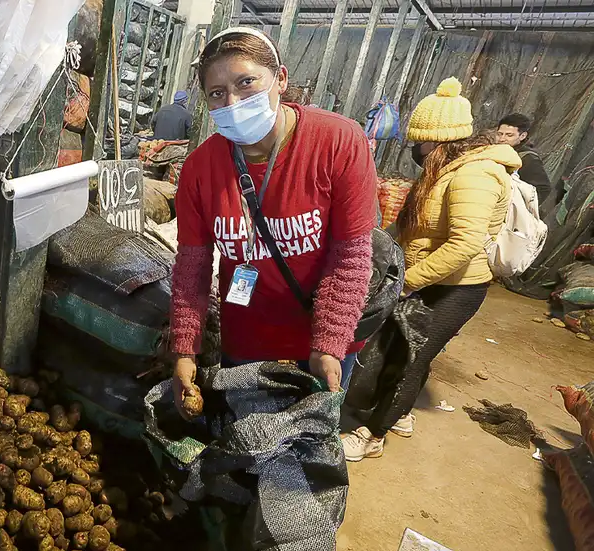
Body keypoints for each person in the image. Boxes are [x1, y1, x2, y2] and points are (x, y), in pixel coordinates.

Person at [170, 27, 378, 415]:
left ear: (280, 79)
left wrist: (328, 344)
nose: (232, 102)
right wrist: (184, 349)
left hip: (320, 341)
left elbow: (350, 257)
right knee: (246, 451)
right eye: (217, 93)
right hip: (246, 342)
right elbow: (192, 268)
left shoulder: (338, 142)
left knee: (302, 459)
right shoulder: (201, 168)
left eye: (246, 82)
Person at [340, 78, 520, 462]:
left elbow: (465, 243)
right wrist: (372, 246)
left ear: (438, 141)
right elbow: (410, 226)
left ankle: (372, 435)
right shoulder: (445, 169)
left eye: (419, 143)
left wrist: (407, 282)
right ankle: (399, 412)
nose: (414, 151)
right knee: (400, 349)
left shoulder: (475, 175)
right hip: (427, 278)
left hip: (454, 289)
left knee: (407, 357)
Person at [496, 113, 552, 203]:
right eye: (500, 134)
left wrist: (517, 205)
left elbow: (542, 189)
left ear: (522, 136)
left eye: (509, 135)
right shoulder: (494, 151)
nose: (502, 139)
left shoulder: (528, 158)